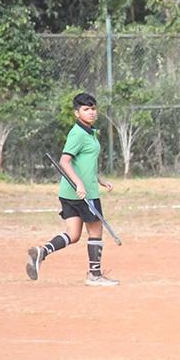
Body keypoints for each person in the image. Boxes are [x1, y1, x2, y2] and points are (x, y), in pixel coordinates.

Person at [26, 93, 119, 286]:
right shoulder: (78, 133)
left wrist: (100, 180)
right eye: (86, 109)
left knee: (73, 234)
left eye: (93, 108)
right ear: (77, 113)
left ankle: (42, 252)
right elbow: (64, 161)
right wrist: (79, 183)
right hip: (83, 193)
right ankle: (95, 275)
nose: (91, 112)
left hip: (70, 192)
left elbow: (84, 163)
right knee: (96, 231)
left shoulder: (89, 132)